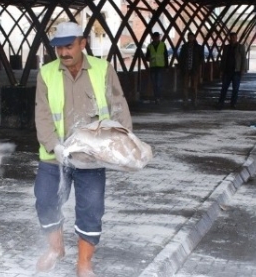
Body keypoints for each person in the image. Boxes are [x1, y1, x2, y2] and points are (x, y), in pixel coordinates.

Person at [34, 21, 132, 277]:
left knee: (90, 208)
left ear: (82, 44)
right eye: (58, 49)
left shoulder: (102, 70)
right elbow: (42, 114)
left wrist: (124, 145)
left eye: (68, 47)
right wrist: (53, 145)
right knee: (45, 201)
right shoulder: (46, 73)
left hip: (91, 158)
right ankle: (56, 249)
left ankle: (84, 263)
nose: (63, 53)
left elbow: (118, 107)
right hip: (55, 157)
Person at [217, 32, 247, 109]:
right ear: (230, 38)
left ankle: (233, 103)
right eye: (232, 37)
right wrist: (221, 69)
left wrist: (242, 69)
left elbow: (243, 58)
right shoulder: (226, 47)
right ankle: (221, 103)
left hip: (236, 71)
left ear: (236, 38)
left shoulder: (240, 47)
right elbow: (223, 59)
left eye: (234, 37)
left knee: (235, 88)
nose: (233, 39)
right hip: (227, 71)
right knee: (224, 87)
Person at [178, 31, 204, 108]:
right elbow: (181, 58)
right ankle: (185, 100)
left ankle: (194, 100)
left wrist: (199, 65)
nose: (190, 38)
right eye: (189, 37)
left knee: (194, 86)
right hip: (186, 68)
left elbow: (201, 58)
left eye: (192, 37)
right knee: (185, 86)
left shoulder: (198, 47)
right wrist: (181, 67)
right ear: (187, 38)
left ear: (194, 38)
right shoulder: (184, 47)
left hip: (194, 69)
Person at [146, 31, 168, 104]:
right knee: (154, 83)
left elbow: (165, 56)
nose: (156, 38)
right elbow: (147, 56)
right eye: (154, 37)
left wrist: (166, 66)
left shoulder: (162, 45)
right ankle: (156, 96)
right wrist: (148, 59)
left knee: (158, 82)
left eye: (157, 37)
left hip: (160, 66)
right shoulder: (150, 46)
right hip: (153, 66)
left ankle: (158, 97)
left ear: (159, 37)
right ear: (152, 38)